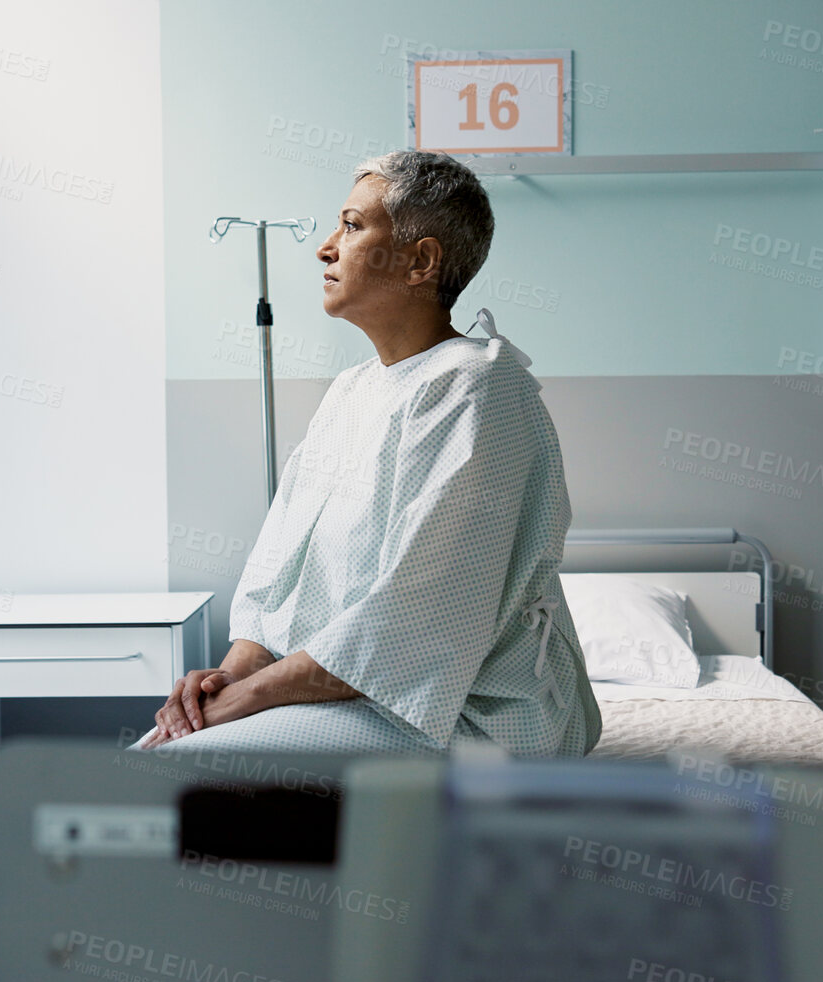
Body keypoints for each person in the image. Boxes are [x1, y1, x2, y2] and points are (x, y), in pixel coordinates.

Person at [136, 150, 597, 756]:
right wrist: (231, 675)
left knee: (172, 776)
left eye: (352, 227)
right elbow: (279, 569)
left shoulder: (477, 388)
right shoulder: (351, 390)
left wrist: (248, 698)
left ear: (420, 262)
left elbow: (419, 616)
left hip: (465, 711)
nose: (325, 248)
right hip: (346, 688)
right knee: (153, 754)